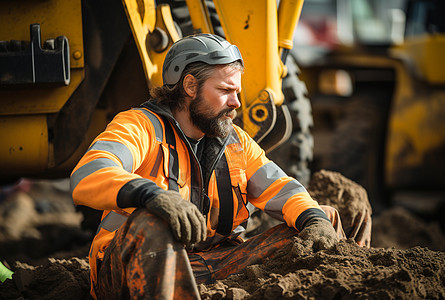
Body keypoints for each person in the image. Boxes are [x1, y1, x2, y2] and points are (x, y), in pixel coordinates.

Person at [71, 34, 350, 299]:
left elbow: (281, 187)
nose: (236, 102)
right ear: (190, 86)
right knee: (151, 223)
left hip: (216, 264)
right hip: (129, 270)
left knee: (324, 220)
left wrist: (313, 219)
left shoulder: (235, 140)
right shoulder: (139, 126)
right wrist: (152, 196)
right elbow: (88, 173)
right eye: (225, 90)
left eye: (237, 91)